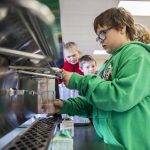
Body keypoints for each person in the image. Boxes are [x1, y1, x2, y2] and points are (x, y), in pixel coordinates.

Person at [54, 7, 150, 150]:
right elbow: (96, 103)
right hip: (113, 144)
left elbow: (120, 97)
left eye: (103, 34)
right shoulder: (109, 63)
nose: (100, 40)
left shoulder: (136, 54)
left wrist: (79, 81)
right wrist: (64, 105)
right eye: (98, 37)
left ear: (121, 28)